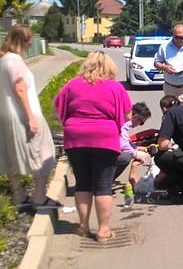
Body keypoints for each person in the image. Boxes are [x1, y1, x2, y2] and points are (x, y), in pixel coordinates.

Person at [53, 51, 131, 242]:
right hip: (105, 138)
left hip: (76, 137)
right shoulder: (115, 87)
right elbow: (127, 115)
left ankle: (83, 226)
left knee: (83, 183)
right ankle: (103, 230)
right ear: (110, 67)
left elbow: (58, 108)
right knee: (103, 186)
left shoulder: (72, 85)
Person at [0, 25, 59, 209]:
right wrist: (31, 117)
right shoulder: (14, 60)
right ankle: (39, 197)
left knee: (11, 155)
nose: (29, 46)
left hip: (4, 116)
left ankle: (18, 195)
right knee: (45, 152)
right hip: (22, 115)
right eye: (28, 42)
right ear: (20, 42)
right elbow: (20, 89)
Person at [113, 102, 152, 183]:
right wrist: (136, 153)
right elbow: (122, 144)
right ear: (135, 117)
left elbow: (124, 139)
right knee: (126, 157)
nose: (140, 125)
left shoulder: (121, 116)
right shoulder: (125, 122)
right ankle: (105, 182)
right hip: (101, 150)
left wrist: (135, 147)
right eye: (141, 122)